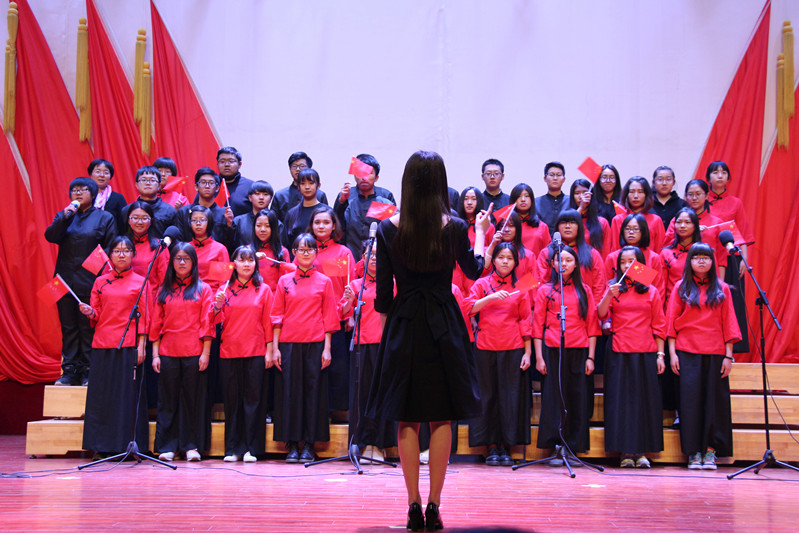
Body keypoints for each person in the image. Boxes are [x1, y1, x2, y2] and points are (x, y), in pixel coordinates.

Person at [366, 150, 489, 531]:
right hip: (443, 324)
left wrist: (388, 341)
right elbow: (474, 269)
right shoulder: (455, 226)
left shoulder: (388, 228)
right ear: (440, 183)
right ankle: (434, 505)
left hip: (403, 324)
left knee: (406, 415)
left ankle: (413, 505)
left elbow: (382, 296)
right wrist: (482, 235)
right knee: (441, 415)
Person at [667, 243, 741, 470]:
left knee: (714, 404)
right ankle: (693, 452)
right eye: (696, 257)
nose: (701, 261)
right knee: (690, 404)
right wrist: (672, 354)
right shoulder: (680, 287)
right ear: (689, 261)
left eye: (706, 257)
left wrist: (728, 356)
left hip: (715, 353)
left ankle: (710, 451)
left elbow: (729, 322)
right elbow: (671, 323)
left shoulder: (722, 288)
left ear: (712, 262)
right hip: (687, 352)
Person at [597, 245, 667, 468]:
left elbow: (659, 324)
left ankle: (642, 452)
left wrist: (660, 354)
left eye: (632, 261)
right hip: (619, 352)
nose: (627, 265)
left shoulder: (651, 290)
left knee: (644, 403)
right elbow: (601, 314)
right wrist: (608, 295)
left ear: (640, 265)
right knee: (621, 403)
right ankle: (625, 452)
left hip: (645, 352)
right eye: (623, 262)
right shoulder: (613, 287)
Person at [271, 234, 339, 463]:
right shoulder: (284, 281)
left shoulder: (324, 281)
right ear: (294, 253)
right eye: (301, 249)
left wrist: (327, 349)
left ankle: (309, 444)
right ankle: (291, 444)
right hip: (289, 344)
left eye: (310, 249)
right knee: (290, 394)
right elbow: (277, 316)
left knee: (313, 394)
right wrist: (276, 348)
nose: (306, 253)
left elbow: (329, 317)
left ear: (316, 253)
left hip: (315, 344)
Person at [45, 177, 118, 386]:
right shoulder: (65, 215)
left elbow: (110, 246)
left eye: (83, 189)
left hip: (90, 280)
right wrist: (65, 217)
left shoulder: (104, 217)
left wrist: (90, 268)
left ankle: (88, 370)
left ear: (93, 194)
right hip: (62, 280)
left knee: (87, 327)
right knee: (68, 327)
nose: (77, 193)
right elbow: (50, 236)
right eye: (74, 190)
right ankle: (68, 371)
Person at [80, 236, 148, 456]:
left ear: (133, 255)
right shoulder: (100, 282)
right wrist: (91, 312)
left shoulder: (141, 282)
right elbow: (97, 313)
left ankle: (125, 446)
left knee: (125, 398)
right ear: (110, 255)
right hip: (103, 344)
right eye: (117, 251)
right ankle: (101, 447)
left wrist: (141, 346)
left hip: (128, 345)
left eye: (126, 251)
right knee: (102, 397)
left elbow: (145, 318)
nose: (121, 254)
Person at [466, 242, 532, 467]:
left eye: (509, 258)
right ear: (493, 260)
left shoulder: (521, 285)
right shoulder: (482, 283)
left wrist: (528, 352)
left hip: (513, 347)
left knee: (509, 397)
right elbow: (469, 308)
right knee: (488, 398)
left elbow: (525, 319)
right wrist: (491, 298)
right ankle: (491, 446)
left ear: (515, 263)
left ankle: (507, 446)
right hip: (485, 347)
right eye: (501, 257)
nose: (505, 261)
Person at [532, 245, 600, 464]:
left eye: (569, 260)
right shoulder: (545, 290)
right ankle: (555, 446)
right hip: (552, 350)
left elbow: (592, 325)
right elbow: (537, 325)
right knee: (554, 399)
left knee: (576, 398)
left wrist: (591, 357)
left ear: (576, 264)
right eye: (559, 260)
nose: (564, 264)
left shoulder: (585, 290)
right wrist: (539, 357)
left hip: (579, 350)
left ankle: (573, 447)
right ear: (553, 264)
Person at [151, 242, 214, 462]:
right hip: (168, 352)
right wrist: (155, 355)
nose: (181, 262)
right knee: (168, 401)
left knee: (192, 400)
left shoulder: (203, 289)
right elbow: (156, 325)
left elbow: (207, 323)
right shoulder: (163, 290)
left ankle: (191, 446)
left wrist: (206, 353)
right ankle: (168, 446)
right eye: (177, 258)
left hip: (194, 352)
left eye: (186, 258)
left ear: (193, 262)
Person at [214, 245, 274, 463]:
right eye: (242, 260)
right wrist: (216, 306)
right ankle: (232, 448)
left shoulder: (264, 290)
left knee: (254, 401)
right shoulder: (224, 289)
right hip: (229, 351)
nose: (246, 264)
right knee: (232, 402)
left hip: (256, 351)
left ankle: (252, 448)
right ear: (234, 264)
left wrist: (270, 350)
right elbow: (213, 321)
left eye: (250, 260)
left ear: (255, 264)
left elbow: (268, 322)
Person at [339, 240, 397, 463]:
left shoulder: (393, 283)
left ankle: (380, 445)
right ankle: (363, 444)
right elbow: (344, 313)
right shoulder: (355, 284)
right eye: (369, 253)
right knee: (362, 397)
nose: (374, 258)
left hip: (385, 345)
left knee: (383, 396)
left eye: (378, 254)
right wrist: (349, 301)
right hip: (361, 346)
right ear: (363, 257)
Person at [302, 205, 356, 414]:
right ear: (311, 225)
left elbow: (350, 285)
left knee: (337, 367)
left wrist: (349, 315)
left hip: (338, 318)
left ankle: (336, 411)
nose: (321, 226)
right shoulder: (305, 250)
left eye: (326, 222)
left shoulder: (344, 252)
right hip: (310, 320)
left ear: (334, 226)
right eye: (317, 222)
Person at [704, 160, 753, 353]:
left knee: (732, 301)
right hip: (706, 258)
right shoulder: (702, 200)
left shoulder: (735, 203)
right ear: (708, 177)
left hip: (731, 258)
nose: (719, 175)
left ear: (728, 178)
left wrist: (744, 259)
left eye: (723, 172)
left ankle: (732, 349)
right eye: (715, 172)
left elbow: (743, 233)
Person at [536, 209, 606, 305]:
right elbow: (540, 282)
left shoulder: (592, 254)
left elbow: (599, 286)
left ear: (579, 227)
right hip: (553, 308)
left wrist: (593, 309)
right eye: (563, 222)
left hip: (584, 308)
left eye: (572, 222)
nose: (567, 226)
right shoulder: (546, 253)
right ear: (557, 227)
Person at [335, 153, 397, 258]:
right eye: (360, 173)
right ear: (354, 176)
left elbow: (391, 231)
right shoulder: (347, 197)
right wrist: (341, 202)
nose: (364, 178)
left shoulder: (384, 199)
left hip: (377, 258)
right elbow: (337, 227)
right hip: (350, 255)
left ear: (376, 178)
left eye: (368, 173)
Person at [604, 213, 665, 298]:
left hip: (646, 302)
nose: (631, 232)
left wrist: (636, 271)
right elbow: (606, 287)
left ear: (643, 231)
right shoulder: (612, 257)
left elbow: (659, 288)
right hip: (618, 302)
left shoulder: (653, 257)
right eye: (627, 229)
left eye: (636, 229)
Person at [177, 167, 235, 250]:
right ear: (196, 187)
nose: (207, 186)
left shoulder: (224, 213)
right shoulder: (184, 212)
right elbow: (179, 241)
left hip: (216, 256)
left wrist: (229, 225)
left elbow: (230, 244)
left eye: (211, 183)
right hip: (190, 255)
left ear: (217, 188)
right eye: (203, 182)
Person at [609, 176, 666, 253]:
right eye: (632, 192)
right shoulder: (617, 220)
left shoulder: (656, 220)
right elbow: (615, 250)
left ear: (646, 194)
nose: (635, 196)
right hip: (624, 260)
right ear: (626, 194)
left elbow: (660, 251)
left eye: (640, 192)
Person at [119, 166, 178, 239]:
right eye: (143, 180)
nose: (148, 183)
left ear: (159, 186)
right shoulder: (127, 210)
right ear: (137, 185)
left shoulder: (170, 211)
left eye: (152, 180)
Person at [271, 152, 329, 223]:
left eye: (302, 166)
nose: (298, 169)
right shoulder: (280, 195)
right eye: (294, 166)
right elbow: (273, 222)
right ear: (290, 169)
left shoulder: (320, 195)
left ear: (309, 168)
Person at [567, 178, 611, 258]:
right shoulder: (566, 221)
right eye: (577, 193)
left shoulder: (602, 222)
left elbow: (606, 251)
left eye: (585, 192)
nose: (581, 197)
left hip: (595, 263)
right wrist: (581, 208)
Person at [283, 168, 323, 251]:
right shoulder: (291, 214)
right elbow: (286, 243)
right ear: (298, 187)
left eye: (311, 183)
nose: (307, 187)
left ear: (318, 186)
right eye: (303, 183)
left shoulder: (326, 211)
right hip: (297, 257)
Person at [251, 209, 291, 292]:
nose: (262, 229)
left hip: (274, 297)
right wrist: (251, 257)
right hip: (251, 297)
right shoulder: (247, 252)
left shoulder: (282, 252)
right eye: (258, 225)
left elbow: (286, 283)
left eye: (267, 226)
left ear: (274, 228)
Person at [506, 183, 551, 255]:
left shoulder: (542, 226)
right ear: (513, 200)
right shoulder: (506, 226)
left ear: (532, 200)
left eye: (526, 196)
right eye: (519, 196)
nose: (523, 200)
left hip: (536, 262)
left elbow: (547, 254)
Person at [232, 180, 276, 248]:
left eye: (265, 194)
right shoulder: (238, 221)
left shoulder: (277, 224)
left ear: (271, 199)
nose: (261, 198)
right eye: (257, 194)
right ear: (250, 198)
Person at [213, 146, 254, 217]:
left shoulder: (251, 186)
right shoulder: (209, 186)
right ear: (217, 164)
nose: (226, 165)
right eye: (222, 161)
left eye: (231, 161)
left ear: (239, 164)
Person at [88, 158, 127, 223]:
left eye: (106, 173)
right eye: (98, 172)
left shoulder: (118, 198)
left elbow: (124, 222)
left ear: (110, 177)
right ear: (91, 174)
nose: (102, 175)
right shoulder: (85, 196)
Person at [535, 161, 567, 233]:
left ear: (564, 179)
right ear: (545, 178)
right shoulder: (536, 203)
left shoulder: (571, 201)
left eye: (559, 175)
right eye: (551, 175)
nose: (555, 178)